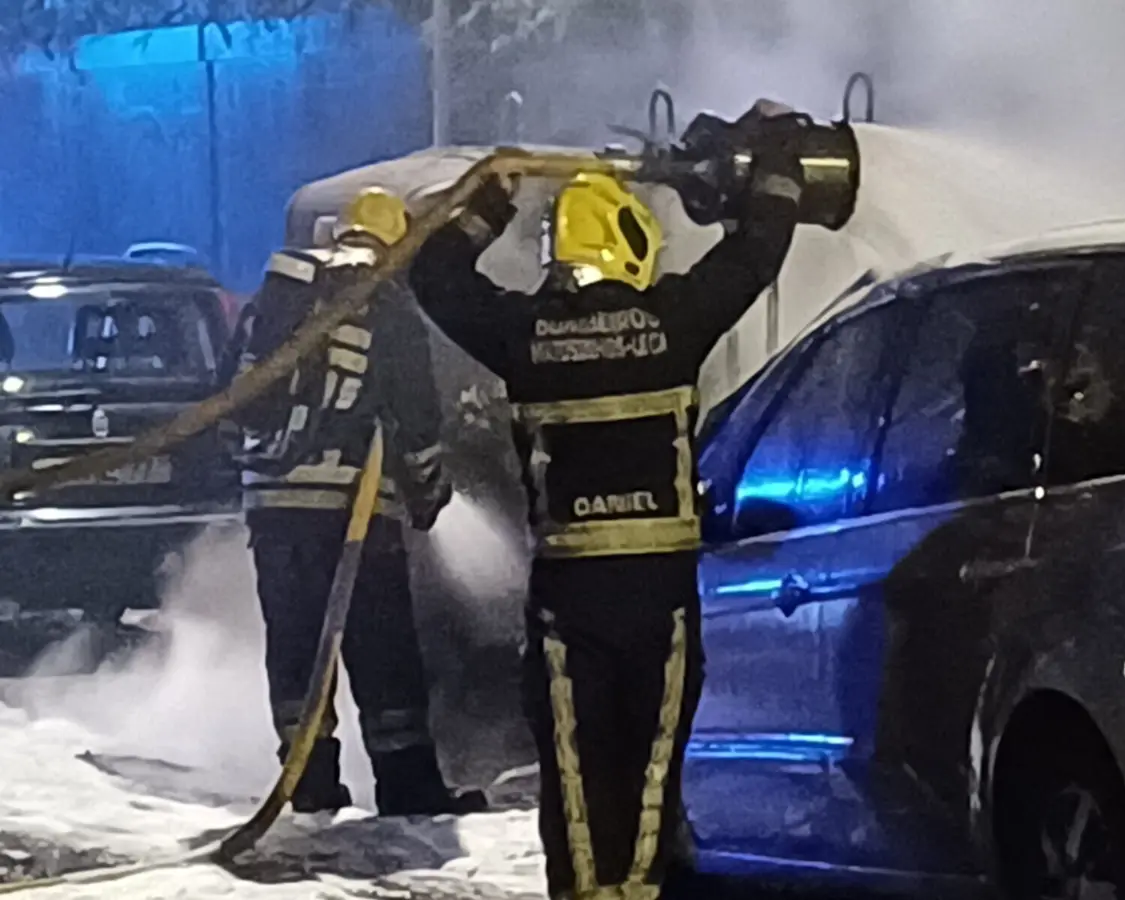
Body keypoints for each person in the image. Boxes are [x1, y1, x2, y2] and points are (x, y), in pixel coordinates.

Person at [408, 101, 807, 899]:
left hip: (568, 605)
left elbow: (435, 276)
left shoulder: (523, 337)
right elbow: (757, 252)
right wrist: (779, 165)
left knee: (577, 786)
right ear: (628, 244)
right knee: (650, 779)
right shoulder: (674, 320)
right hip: (660, 602)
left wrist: (490, 201)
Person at [228, 187, 482, 817]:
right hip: (355, 510)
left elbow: (233, 395)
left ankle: (310, 784)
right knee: (382, 649)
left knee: (295, 648)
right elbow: (417, 420)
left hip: (274, 507)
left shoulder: (280, 297)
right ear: (395, 244)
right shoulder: (388, 305)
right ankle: (408, 788)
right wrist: (428, 496)